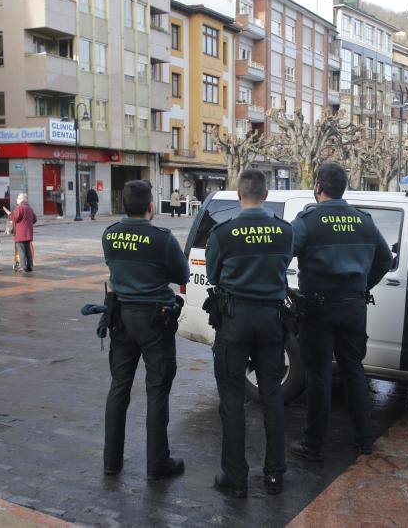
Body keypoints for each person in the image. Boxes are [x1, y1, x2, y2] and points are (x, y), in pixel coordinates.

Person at [289, 162, 392, 462]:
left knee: (319, 374)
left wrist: (284, 290)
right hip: (353, 305)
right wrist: (363, 285)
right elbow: (385, 259)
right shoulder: (364, 221)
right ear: (343, 188)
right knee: (353, 370)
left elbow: (282, 254)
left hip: (317, 307)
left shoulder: (307, 220)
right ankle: (365, 440)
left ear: (318, 187)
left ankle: (313, 444)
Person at [205, 169, 293, 497]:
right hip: (271, 320)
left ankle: (235, 478)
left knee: (231, 399)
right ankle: (275, 475)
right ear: (266, 195)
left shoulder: (223, 232)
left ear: (239, 194)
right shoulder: (284, 231)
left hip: (234, 320)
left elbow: (213, 275)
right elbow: (283, 264)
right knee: (272, 397)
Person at [102, 180, 189, 480]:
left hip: (121, 318)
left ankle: (111, 461)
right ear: (151, 206)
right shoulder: (161, 238)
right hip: (155, 320)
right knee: (157, 389)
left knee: (119, 388)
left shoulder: (110, 234)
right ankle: (157, 464)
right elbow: (182, 274)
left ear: (124, 205)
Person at [11, 193, 37, 272]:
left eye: (18, 198)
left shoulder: (19, 208)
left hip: (20, 234)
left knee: (21, 250)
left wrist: (9, 215)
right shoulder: (30, 208)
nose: (16, 199)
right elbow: (35, 219)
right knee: (28, 250)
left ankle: (23, 266)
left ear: (21, 200)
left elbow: (15, 218)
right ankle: (30, 266)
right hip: (28, 233)